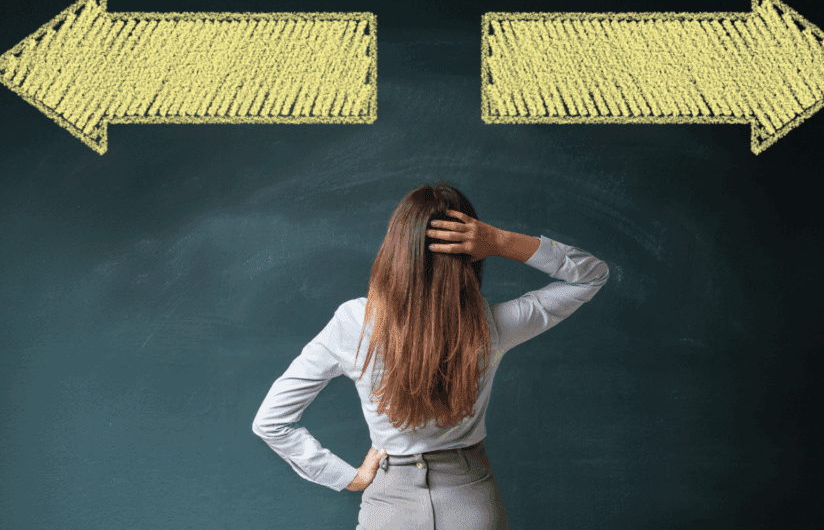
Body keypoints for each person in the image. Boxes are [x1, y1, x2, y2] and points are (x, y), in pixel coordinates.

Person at [252, 182, 609, 529]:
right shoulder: (493, 325)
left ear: (395, 248)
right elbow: (591, 276)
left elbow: (271, 421)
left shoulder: (354, 322)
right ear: (471, 254)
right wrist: (501, 241)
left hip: (389, 510)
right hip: (471, 502)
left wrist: (349, 478)